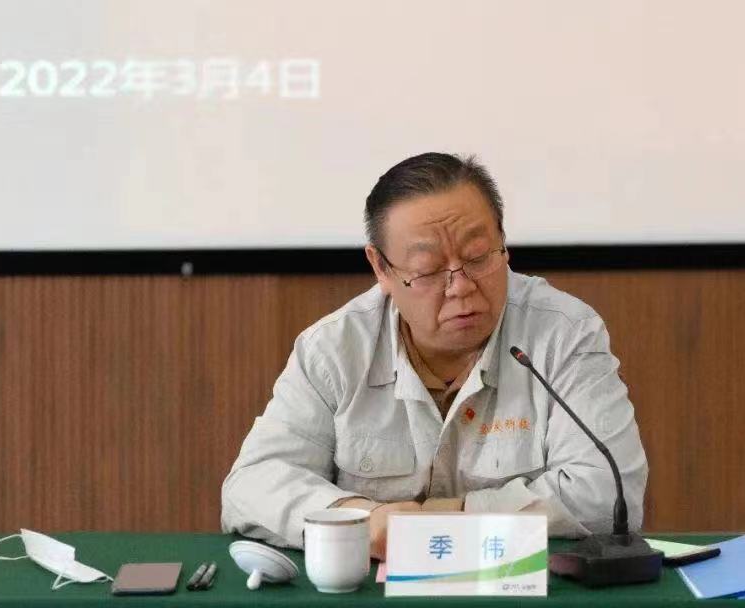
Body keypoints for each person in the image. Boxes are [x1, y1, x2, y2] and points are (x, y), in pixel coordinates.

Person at [221, 152, 648, 559]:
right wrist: (362, 520)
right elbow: (250, 487)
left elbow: (610, 494)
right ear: (382, 268)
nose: (460, 286)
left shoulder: (564, 334)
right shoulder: (335, 348)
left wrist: (447, 518)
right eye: (428, 271)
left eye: (478, 257)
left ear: (504, 244)